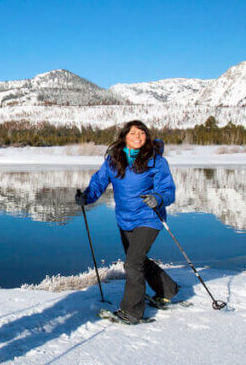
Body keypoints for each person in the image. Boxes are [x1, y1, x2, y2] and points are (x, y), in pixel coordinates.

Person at [76, 120, 178, 324]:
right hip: (125, 218)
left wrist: (158, 198)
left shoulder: (156, 160)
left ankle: (131, 312)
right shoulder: (114, 159)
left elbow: (168, 190)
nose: (138, 137)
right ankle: (168, 289)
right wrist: (87, 196)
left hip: (149, 217)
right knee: (138, 260)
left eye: (142, 133)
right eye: (133, 133)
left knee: (132, 263)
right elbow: (99, 181)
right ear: (124, 137)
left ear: (147, 137)